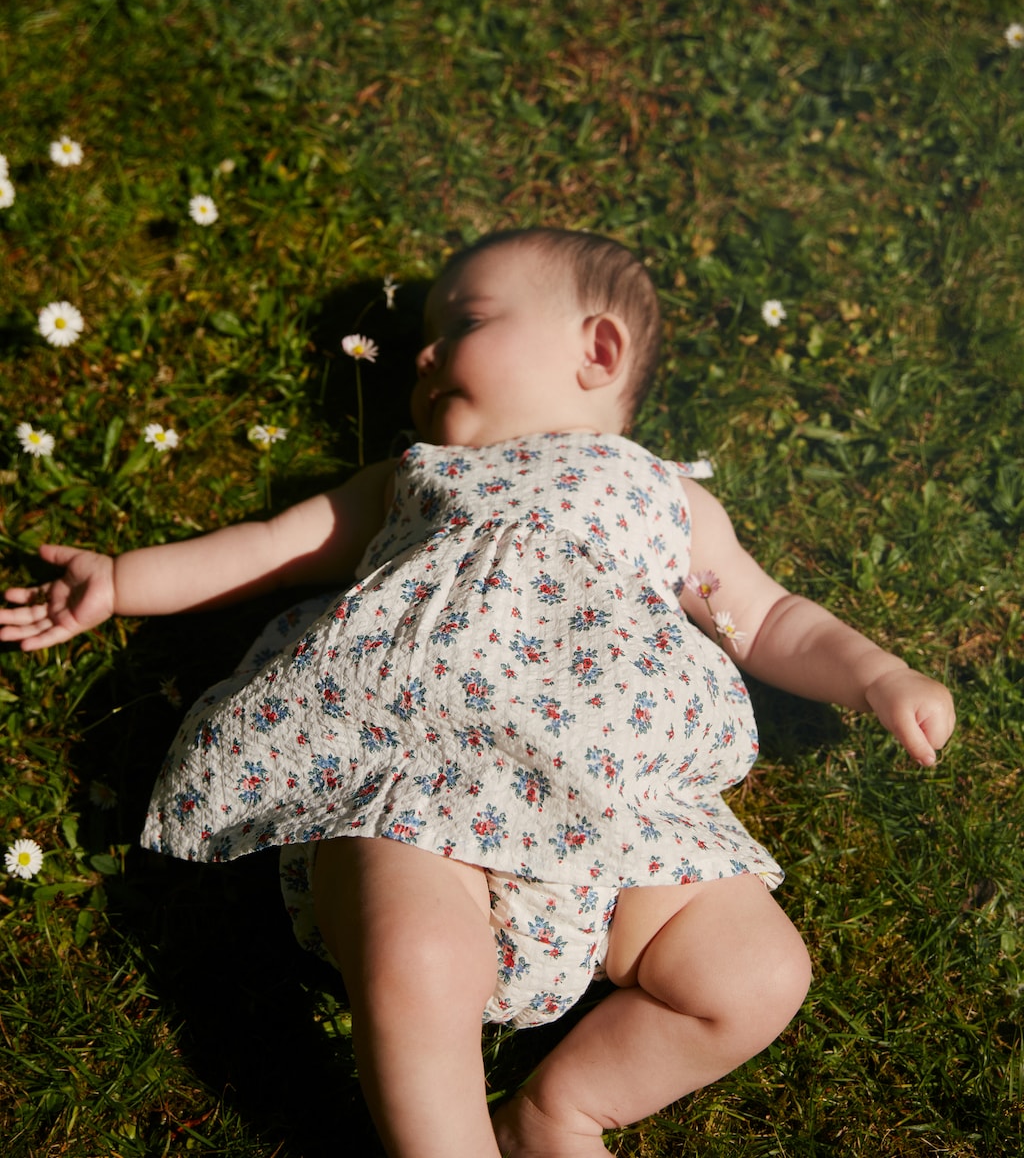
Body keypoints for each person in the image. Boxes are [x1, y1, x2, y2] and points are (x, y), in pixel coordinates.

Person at [1, 228, 955, 1158]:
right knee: (419, 959)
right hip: (413, 775)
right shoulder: (415, 477)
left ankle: (563, 1113)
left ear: (599, 349)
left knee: (760, 974)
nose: (422, 351)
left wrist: (874, 672)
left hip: (622, 816)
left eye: (464, 319)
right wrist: (123, 582)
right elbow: (273, 547)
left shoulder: (665, 497)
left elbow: (772, 619)